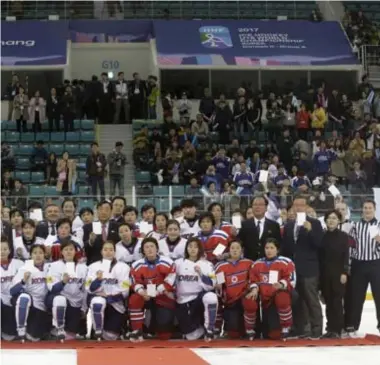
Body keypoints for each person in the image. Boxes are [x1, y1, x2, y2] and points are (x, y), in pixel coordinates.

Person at [282, 194, 324, 339]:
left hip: (309, 269)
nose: (298, 207)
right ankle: (299, 328)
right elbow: (286, 249)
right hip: (293, 271)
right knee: (296, 300)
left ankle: (316, 329)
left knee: (311, 300)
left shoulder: (315, 223)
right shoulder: (288, 225)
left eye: (301, 205)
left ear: (306, 207)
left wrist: (310, 230)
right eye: (296, 205)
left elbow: (319, 244)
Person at [128, 237, 176, 341]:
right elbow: (134, 282)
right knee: (134, 299)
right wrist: (142, 292)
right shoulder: (136, 265)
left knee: (164, 336)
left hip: (162, 296)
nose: (149, 249)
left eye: (152, 246)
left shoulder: (168, 263)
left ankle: (159, 328)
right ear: (143, 250)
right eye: (146, 247)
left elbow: (169, 282)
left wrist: (154, 292)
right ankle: (137, 331)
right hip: (145, 297)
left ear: (157, 249)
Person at [250, 238, 296, 340]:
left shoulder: (286, 262)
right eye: (267, 248)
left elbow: (292, 279)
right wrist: (254, 288)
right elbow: (253, 280)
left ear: (277, 249)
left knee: (282, 297)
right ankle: (251, 330)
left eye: (272, 248)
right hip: (266, 300)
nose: (269, 250)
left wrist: (281, 284)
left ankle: (286, 327)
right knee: (271, 335)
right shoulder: (257, 264)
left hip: (281, 296)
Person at [347, 200, 380, 335]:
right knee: (356, 297)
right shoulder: (355, 225)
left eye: (370, 208)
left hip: (376, 264)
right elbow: (350, 245)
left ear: (374, 209)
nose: (367, 210)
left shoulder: (379, 226)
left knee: (379, 296)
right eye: (365, 208)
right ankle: (353, 325)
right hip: (358, 264)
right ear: (362, 210)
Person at [86, 240, 130, 340]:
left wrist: (109, 296)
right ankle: (97, 330)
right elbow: (88, 288)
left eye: (111, 249)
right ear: (101, 252)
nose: (108, 252)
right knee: (98, 302)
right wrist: (98, 280)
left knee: (111, 337)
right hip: (98, 300)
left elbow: (125, 290)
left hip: (116, 303)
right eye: (105, 249)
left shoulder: (123, 267)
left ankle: (108, 331)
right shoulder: (93, 267)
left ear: (115, 252)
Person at [175, 237, 218, 341]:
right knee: (191, 337)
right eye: (190, 246)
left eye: (196, 247)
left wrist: (201, 274)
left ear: (200, 249)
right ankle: (200, 329)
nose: (193, 249)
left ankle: (209, 329)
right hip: (182, 300)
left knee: (211, 297)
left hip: (199, 298)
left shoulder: (207, 264)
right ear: (186, 248)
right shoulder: (177, 264)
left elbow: (212, 284)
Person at [46, 239, 88, 341]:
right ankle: (59, 328)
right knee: (60, 299)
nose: (68, 252)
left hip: (76, 302)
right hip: (59, 299)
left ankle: (65, 329)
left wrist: (84, 308)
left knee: (71, 335)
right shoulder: (54, 266)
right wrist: (63, 282)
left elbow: (85, 290)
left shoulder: (83, 268)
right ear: (61, 252)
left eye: (71, 249)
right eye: (66, 249)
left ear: (75, 251)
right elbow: (52, 288)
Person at [214, 240, 256, 339]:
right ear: (228, 250)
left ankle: (250, 329)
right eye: (232, 248)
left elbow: (253, 279)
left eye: (237, 248)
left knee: (250, 302)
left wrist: (254, 289)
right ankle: (216, 328)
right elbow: (220, 284)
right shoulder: (221, 266)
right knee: (233, 335)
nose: (235, 250)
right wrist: (219, 287)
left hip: (244, 298)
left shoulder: (249, 263)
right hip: (230, 302)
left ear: (242, 250)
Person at [10, 244, 50, 342]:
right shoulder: (24, 269)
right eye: (35, 253)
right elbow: (12, 291)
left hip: (42, 306)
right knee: (24, 297)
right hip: (29, 304)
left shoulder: (49, 267)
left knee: (34, 338)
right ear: (30, 255)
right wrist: (23, 280)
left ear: (44, 255)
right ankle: (21, 329)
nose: (38, 255)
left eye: (40, 253)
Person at [319, 210, 349, 338]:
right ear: (325, 220)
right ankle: (330, 328)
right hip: (325, 274)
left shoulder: (343, 236)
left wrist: (345, 272)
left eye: (334, 218)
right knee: (328, 301)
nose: (331, 220)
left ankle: (338, 328)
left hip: (338, 274)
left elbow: (346, 255)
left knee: (337, 302)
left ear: (338, 221)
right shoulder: (322, 236)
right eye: (329, 218)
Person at [238, 196, 282, 261]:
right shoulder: (244, 225)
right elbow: (239, 243)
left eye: (260, 204)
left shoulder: (274, 225)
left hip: (268, 263)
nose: (257, 207)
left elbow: (279, 245)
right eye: (255, 204)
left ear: (266, 208)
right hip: (249, 263)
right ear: (252, 207)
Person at [1, 236, 24, 341]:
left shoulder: (19, 264)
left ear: (10, 250)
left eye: (5, 249)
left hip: (15, 297)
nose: (2, 252)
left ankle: (21, 329)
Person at [82, 201, 120, 265]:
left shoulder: (118, 226)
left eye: (106, 210)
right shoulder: (88, 227)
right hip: (94, 263)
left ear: (111, 212)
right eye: (101, 209)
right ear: (96, 212)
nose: (103, 212)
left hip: (114, 263)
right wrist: (90, 242)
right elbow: (85, 249)